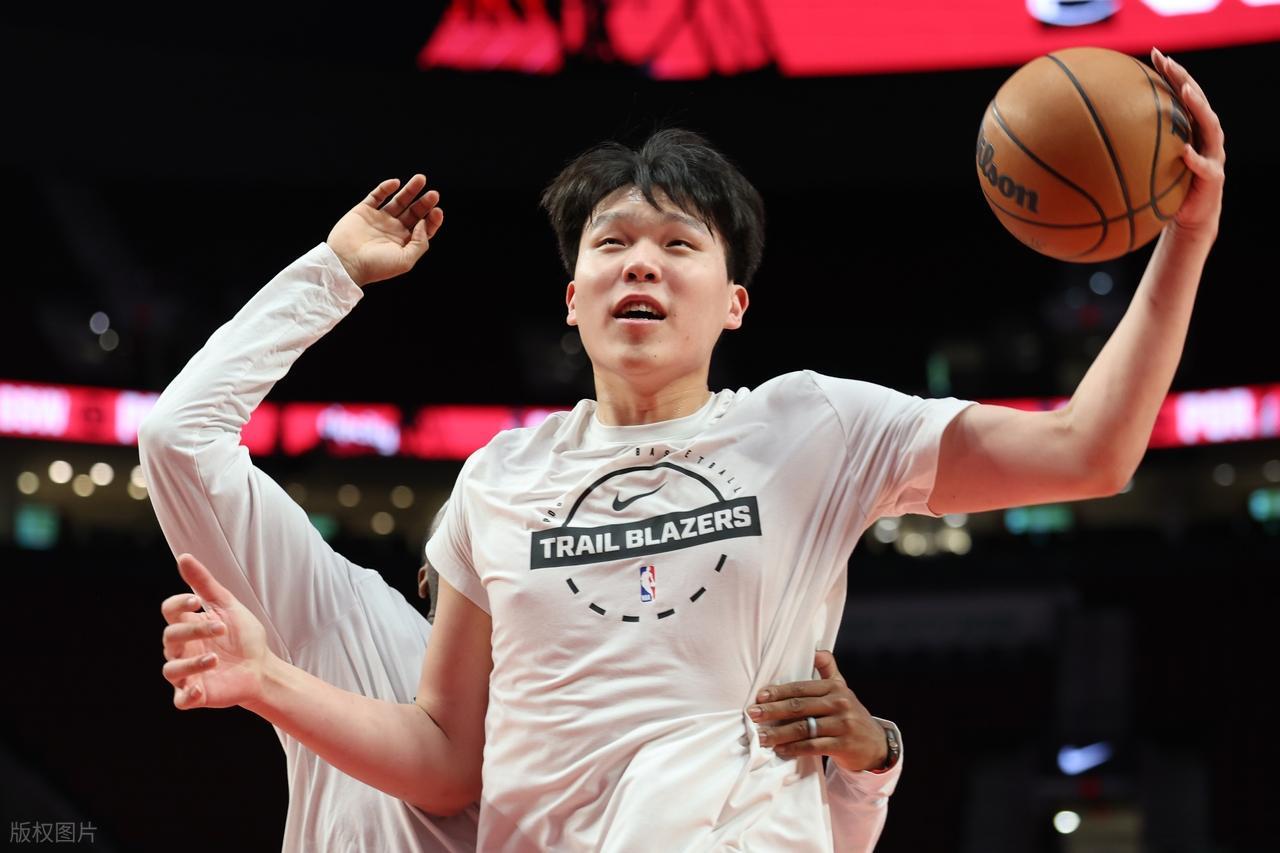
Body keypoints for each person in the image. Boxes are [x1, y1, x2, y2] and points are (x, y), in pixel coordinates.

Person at [157, 48, 1223, 851]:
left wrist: (1184, 238)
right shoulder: (500, 478)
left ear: (734, 302)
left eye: (679, 244)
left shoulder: (814, 426)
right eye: (612, 243)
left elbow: (1089, 450)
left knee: (710, 775)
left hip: (729, 828)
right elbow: (443, 762)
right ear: (571, 298)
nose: (643, 264)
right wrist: (268, 682)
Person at [139, 227, 906, 850]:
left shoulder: (631, 700)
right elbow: (180, 438)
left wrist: (871, 760)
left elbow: (816, 835)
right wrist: (333, 271)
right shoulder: (349, 626)